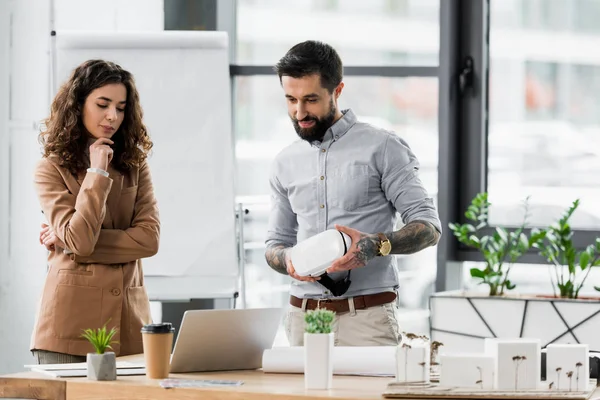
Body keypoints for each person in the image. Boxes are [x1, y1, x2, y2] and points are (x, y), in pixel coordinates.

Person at [264, 41, 441, 346]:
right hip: (301, 319)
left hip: (367, 319)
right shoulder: (284, 161)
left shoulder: (383, 147)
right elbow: (274, 245)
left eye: (311, 99)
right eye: (290, 99)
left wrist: (376, 245)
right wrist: (288, 259)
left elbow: (428, 227)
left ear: (338, 90)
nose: (299, 112)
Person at [32, 59, 160, 364]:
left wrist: (69, 241)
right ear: (78, 104)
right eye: (102, 104)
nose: (112, 116)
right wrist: (97, 173)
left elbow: (148, 240)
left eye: (120, 107)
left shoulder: (135, 165)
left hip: (129, 327)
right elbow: (81, 240)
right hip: (68, 328)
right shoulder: (49, 169)